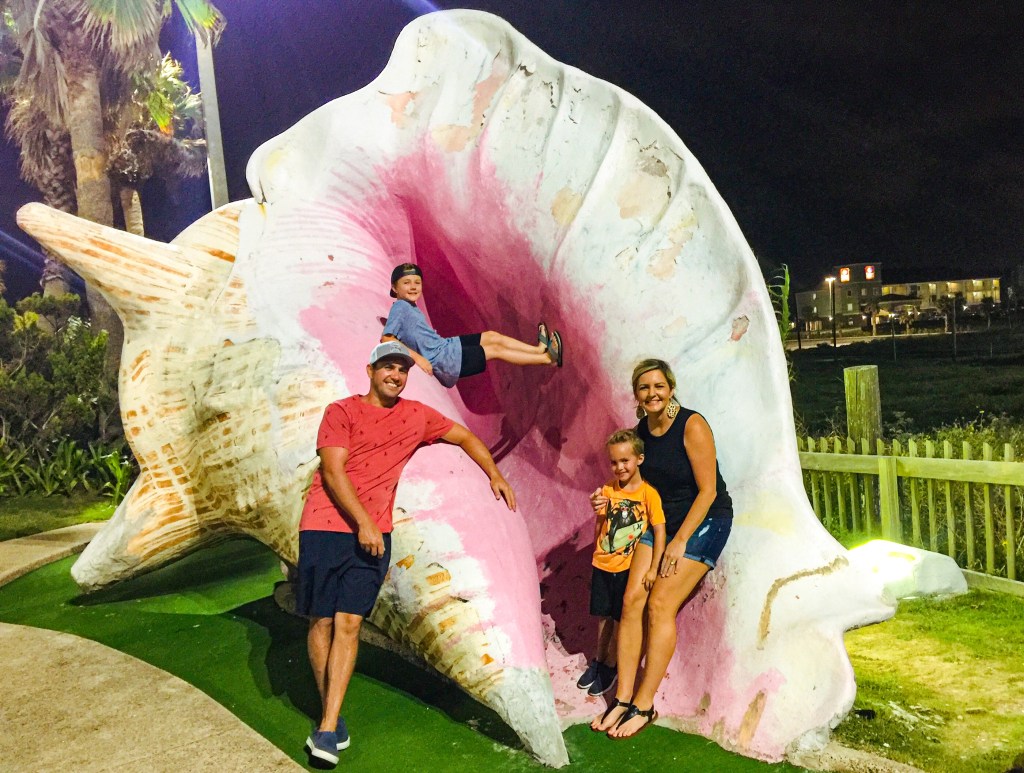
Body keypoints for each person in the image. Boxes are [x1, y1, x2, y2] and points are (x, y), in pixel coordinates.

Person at [297, 340, 517, 767]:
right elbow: (333, 471)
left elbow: (464, 436)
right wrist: (363, 522)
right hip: (325, 527)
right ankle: (331, 713)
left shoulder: (417, 416)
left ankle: (326, 726)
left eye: (402, 369)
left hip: (374, 534)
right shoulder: (341, 411)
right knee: (321, 621)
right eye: (387, 368)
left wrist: (495, 473)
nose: (395, 375)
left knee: (349, 623)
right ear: (370, 370)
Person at [590, 358, 733, 738]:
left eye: (659, 386)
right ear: (636, 395)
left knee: (659, 604)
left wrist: (680, 540)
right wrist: (607, 501)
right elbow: (636, 487)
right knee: (631, 601)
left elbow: (708, 491)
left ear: (670, 388)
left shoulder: (692, 425)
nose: (652, 394)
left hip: (704, 521)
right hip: (660, 524)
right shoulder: (641, 433)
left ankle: (645, 704)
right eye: (644, 388)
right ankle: (622, 699)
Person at [579, 429, 666, 704]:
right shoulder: (607, 490)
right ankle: (598, 660)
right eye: (614, 462)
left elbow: (659, 531)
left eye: (625, 461)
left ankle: (612, 665)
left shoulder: (649, 495)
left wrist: (653, 568)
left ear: (639, 459)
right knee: (603, 617)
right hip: (603, 564)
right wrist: (596, 551)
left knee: (620, 620)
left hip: (627, 568)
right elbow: (601, 523)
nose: (619, 467)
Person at [381, 262, 563, 388]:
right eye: (406, 283)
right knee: (495, 349)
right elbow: (387, 338)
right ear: (395, 288)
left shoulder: (410, 307)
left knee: (492, 336)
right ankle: (547, 359)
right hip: (444, 361)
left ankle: (538, 349)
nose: (413, 287)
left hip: (447, 346)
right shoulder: (400, 307)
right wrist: (418, 359)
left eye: (417, 282)